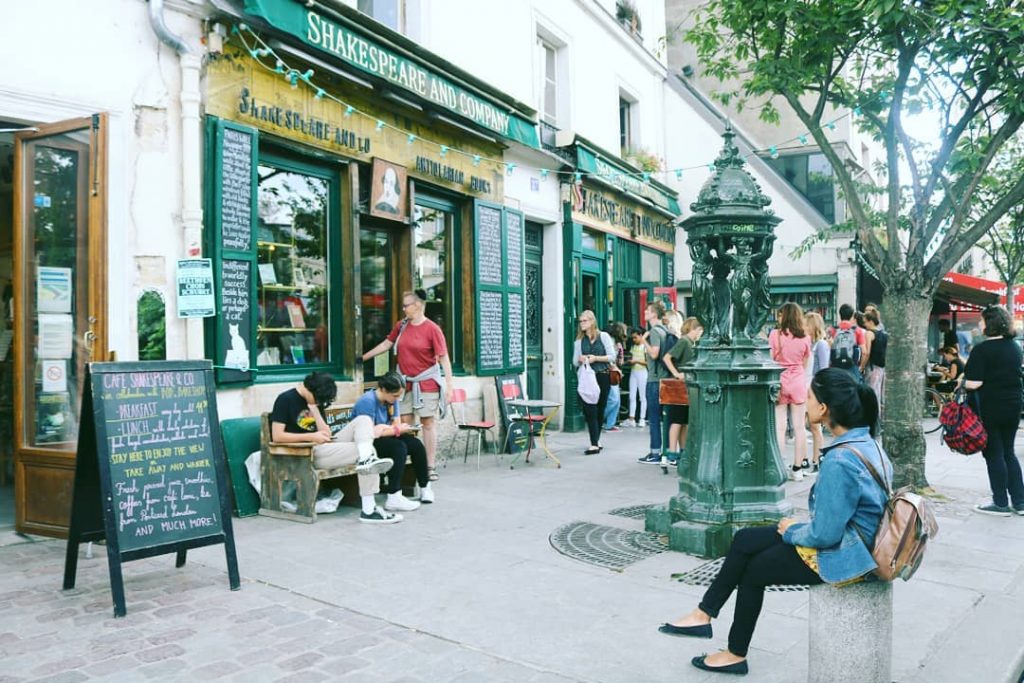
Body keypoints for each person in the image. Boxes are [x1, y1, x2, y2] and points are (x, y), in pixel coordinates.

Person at [658, 368, 891, 676]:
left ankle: (735, 653)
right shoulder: (867, 444)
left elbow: (825, 534)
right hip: (856, 541)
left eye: (809, 397)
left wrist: (793, 530)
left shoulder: (841, 460)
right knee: (745, 539)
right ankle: (704, 614)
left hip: (848, 556)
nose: (804, 403)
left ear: (824, 409)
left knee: (756, 569)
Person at [270, 372, 401, 524]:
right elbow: (277, 436)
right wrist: (311, 437)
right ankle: (369, 509)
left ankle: (366, 459)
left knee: (363, 420)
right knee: (367, 451)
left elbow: (326, 432)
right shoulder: (285, 399)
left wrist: (314, 409)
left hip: (324, 445)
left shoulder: (315, 401)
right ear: (312, 391)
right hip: (307, 451)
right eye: (319, 401)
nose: (321, 403)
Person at [363, 289, 454, 483]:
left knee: (428, 423)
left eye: (406, 305)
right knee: (404, 424)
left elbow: (444, 359)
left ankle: (429, 467)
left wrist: (449, 386)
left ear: (418, 305)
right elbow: (387, 344)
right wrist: (363, 357)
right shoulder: (402, 325)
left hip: (427, 383)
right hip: (405, 384)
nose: (403, 309)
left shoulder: (432, 329)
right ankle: (406, 468)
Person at [963, 305, 1024, 516]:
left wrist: (963, 382)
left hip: (990, 407)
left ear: (990, 323)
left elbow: (973, 383)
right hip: (1013, 405)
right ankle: (1020, 502)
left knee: (994, 453)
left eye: (982, 320)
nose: (979, 324)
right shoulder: (1014, 347)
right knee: (1008, 452)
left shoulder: (982, 350)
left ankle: (999, 503)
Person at [352, 372, 433, 510]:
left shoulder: (391, 400)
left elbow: (396, 424)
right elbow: (369, 432)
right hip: (367, 442)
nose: (396, 399)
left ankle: (425, 486)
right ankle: (394, 495)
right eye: (394, 395)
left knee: (416, 445)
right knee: (398, 447)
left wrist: (399, 429)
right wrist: (396, 430)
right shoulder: (367, 401)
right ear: (383, 389)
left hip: (385, 435)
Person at [770, 302, 812, 481]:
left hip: (780, 381)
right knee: (800, 428)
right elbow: (805, 362)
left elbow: (770, 359)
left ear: (783, 316)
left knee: (780, 428)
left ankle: (779, 467)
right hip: (798, 382)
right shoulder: (805, 338)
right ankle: (797, 468)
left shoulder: (774, 335)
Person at [572, 310, 616, 455]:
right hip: (587, 378)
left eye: (584, 321)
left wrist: (595, 358)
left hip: (602, 376)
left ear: (592, 321)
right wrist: (581, 359)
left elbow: (612, 356)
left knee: (600, 409)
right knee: (589, 409)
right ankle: (594, 444)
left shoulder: (603, 336)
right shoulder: (579, 341)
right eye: (580, 321)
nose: (581, 324)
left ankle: (596, 439)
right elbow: (574, 362)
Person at [663, 317, 703, 467]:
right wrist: (676, 373)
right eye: (700, 330)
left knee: (683, 421)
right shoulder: (684, 341)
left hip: (686, 387)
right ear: (695, 329)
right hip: (680, 387)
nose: (700, 333)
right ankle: (673, 452)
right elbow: (667, 357)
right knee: (677, 420)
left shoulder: (690, 342)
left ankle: (682, 451)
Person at [638, 300, 671, 465]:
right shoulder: (666, 330)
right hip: (665, 378)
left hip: (655, 379)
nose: (645, 313)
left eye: (647, 311)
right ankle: (668, 452)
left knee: (653, 417)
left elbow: (654, 354)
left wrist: (643, 340)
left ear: (654, 314)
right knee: (666, 418)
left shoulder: (655, 332)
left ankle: (655, 453)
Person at [803, 311, 830, 472]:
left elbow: (824, 368)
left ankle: (818, 458)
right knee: (809, 425)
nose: (804, 327)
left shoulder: (821, 344)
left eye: (806, 324)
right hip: (806, 385)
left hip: (814, 387)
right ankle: (812, 458)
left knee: (815, 426)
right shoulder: (810, 343)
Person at [603, 321, 628, 433]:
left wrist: (621, 351)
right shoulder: (610, 341)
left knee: (616, 400)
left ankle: (610, 424)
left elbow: (620, 361)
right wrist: (616, 368)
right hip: (609, 372)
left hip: (615, 374)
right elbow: (609, 359)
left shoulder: (618, 343)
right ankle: (598, 418)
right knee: (613, 399)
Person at [831, 303, 867, 381]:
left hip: (836, 367)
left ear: (840, 315)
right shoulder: (857, 330)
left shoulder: (833, 330)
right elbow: (864, 352)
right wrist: (861, 367)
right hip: (852, 366)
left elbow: (829, 348)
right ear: (852, 315)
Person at [622, 328, 648, 428]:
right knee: (632, 396)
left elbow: (648, 362)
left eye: (635, 337)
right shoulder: (633, 347)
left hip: (642, 372)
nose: (634, 340)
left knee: (642, 397)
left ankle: (642, 418)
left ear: (641, 336)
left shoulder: (645, 347)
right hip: (634, 372)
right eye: (632, 338)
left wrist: (636, 361)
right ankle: (631, 418)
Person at [863, 310, 887, 404]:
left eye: (865, 322)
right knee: (879, 393)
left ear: (871, 321)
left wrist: (862, 366)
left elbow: (867, 352)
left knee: (872, 393)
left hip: (872, 367)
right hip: (882, 367)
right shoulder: (884, 334)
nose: (864, 324)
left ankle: (873, 416)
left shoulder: (869, 334)